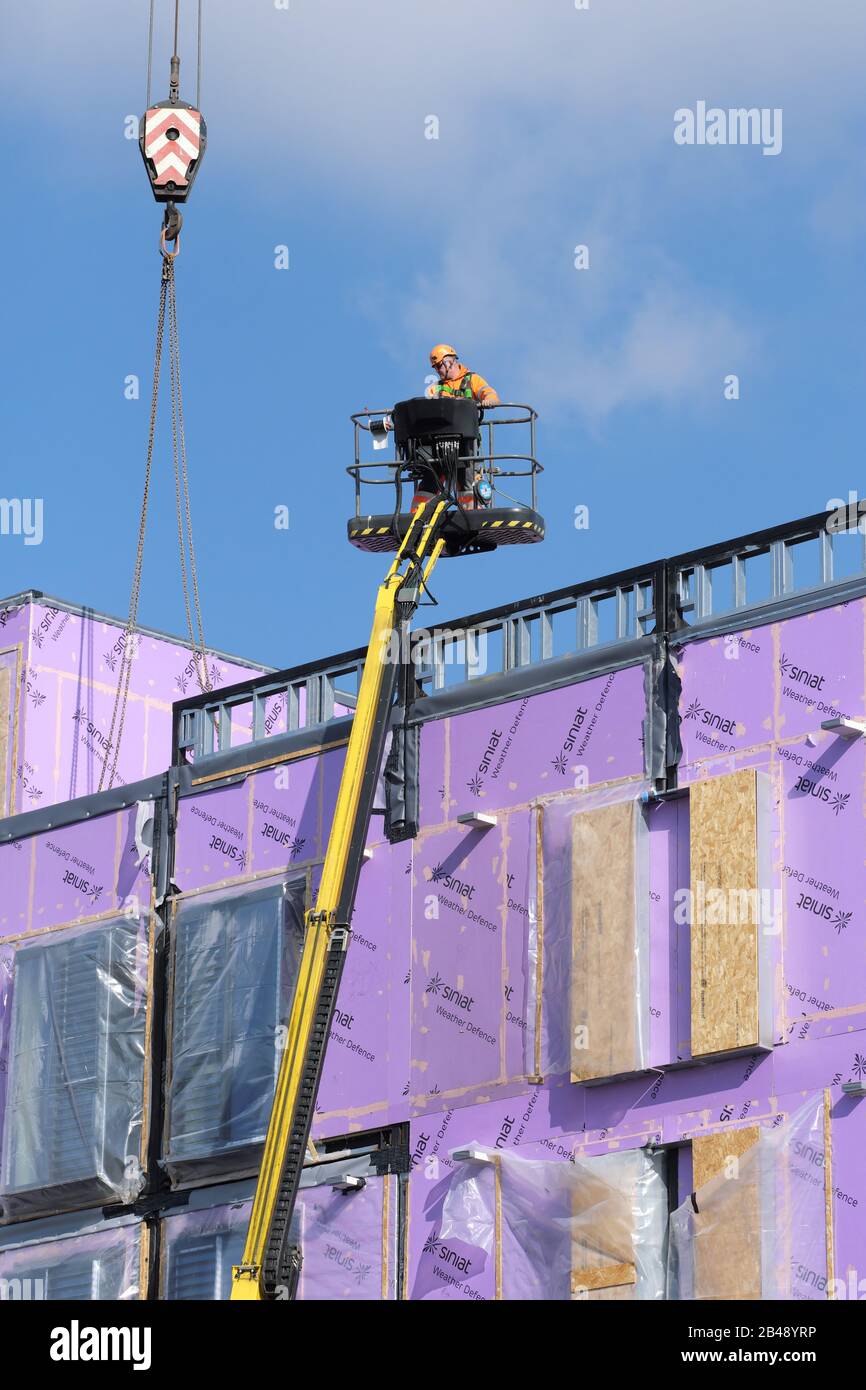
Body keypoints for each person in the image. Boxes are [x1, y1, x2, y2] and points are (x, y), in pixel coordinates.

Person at [426, 345, 500, 406]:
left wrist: (490, 400)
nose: (437, 370)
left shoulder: (472, 379)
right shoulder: (435, 388)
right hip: (444, 423)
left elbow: (489, 393)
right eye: (435, 367)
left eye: (438, 366)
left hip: (466, 422)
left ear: (449, 362)